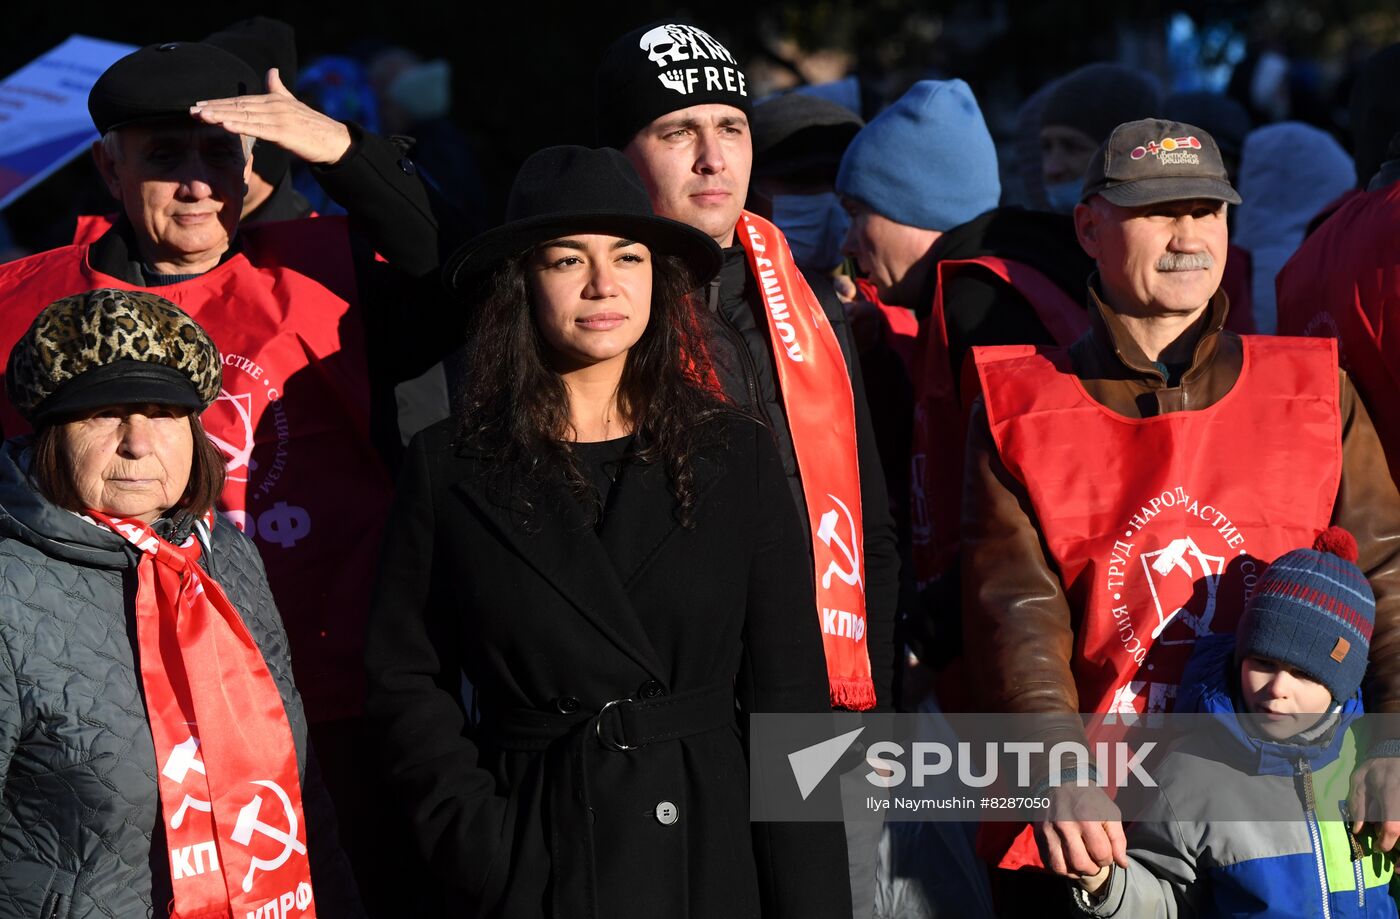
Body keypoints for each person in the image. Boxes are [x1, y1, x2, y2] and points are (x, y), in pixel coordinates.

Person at [0, 39, 462, 913]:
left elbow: (466, 271)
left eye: (219, 152)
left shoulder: (322, 273)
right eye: (164, 155)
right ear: (109, 166)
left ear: (254, 162)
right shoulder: (24, 302)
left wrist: (346, 152)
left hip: (328, 696)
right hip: (113, 724)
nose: (197, 182)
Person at [365, 145, 851, 919]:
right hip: (537, 852)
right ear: (523, 279)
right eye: (567, 260)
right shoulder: (450, 466)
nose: (603, 284)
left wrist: (814, 900)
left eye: (628, 256)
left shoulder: (737, 452)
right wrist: (485, 846)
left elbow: (790, 702)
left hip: (712, 856)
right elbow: (403, 679)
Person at [959, 118, 1400, 913]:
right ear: (1089, 226)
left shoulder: (1314, 388)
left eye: (1207, 209)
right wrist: (1055, 773)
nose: (1188, 234)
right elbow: (1014, 619)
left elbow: (1387, 577)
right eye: (1158, 210)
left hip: (1290, 822)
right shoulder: (1018, 406)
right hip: (1107, 830)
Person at [592, 24, 897, 916]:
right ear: (624, 153)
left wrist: (868, 687)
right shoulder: (594, 314)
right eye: (677, 131)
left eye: (729, 126)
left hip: (818, 707)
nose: (710, 157)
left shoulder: (805, 303)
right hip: (676, 724)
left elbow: (868, 519)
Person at [0, 289, 361, 919]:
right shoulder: (10, 586)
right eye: (102, 414)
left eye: (164, 413)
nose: (138, 442)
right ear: (52, 434)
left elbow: (295, 786)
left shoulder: (227, 555)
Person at [834, 78, 1093, 693]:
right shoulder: (993, 280)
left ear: (910, 207)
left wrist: (928, 632)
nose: (847, 244)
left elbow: (1035, 503)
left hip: (1023, 663)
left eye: (856, 215)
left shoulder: (981, 301)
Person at [1070, 529, 1397, 917]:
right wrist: (1106, 884)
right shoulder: (1189, 774)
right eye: (1263, 663)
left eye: (1304, 674)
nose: (1278, 688)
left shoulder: (1369, 762)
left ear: (1342, 684)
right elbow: (1165, 898)